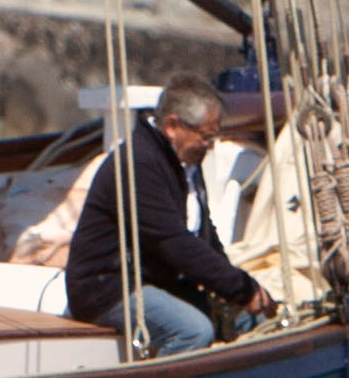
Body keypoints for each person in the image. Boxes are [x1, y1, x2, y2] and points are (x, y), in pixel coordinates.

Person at [63, 76, 264, 361]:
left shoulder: (187, 163)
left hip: (158, 280)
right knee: (193, 332)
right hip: (109, 286)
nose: (209, 146)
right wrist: (240, 288)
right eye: (205, 137)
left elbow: (204, 237)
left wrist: (235, 290)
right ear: (172, 126)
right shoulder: (140, 163)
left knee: (247, 321)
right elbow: (174, 244)